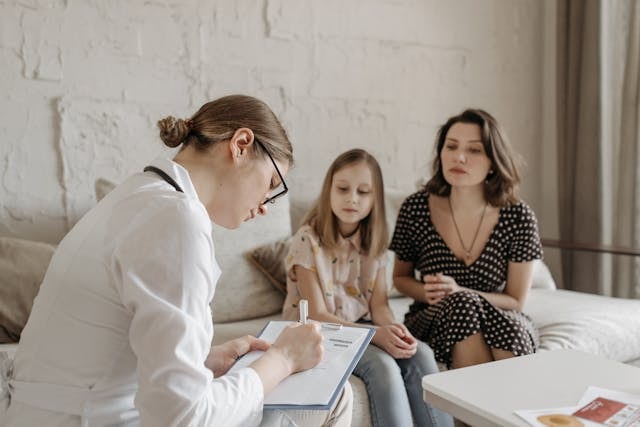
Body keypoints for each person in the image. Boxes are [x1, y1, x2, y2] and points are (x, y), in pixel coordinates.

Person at [3, 95, 352, 427]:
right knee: (335, 395)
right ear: (241, 144)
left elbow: (104, 351)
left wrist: (202, 361)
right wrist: (282, 360)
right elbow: (182, 418)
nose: (264, 205)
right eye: (272, 183)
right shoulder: (176, 218)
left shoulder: (137, 195)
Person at [282, 149, 453, 427]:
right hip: (319, 334)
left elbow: (380, 307)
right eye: (343, 189)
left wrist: (396, 332)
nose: (352, 198)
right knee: (382, 365)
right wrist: (376, 334)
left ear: (375, 199)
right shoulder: (307, 240)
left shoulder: (373, 243)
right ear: (329, 191)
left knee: (420, 352)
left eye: (363, 192)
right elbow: (317, 315)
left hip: (360, 327)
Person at [390, 108, 542, 370]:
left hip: (499, 315)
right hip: (433, 318)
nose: (459, 157)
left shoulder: (518, 216)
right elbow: (400, 278)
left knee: (506, 325)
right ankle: (489, 408)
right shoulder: (416, 208)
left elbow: (516, 301)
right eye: (451, 146)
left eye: (474, 150)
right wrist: (427, 291)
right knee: (462, 305)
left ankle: (493, 409)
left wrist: (461, 291)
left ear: (493, 161)